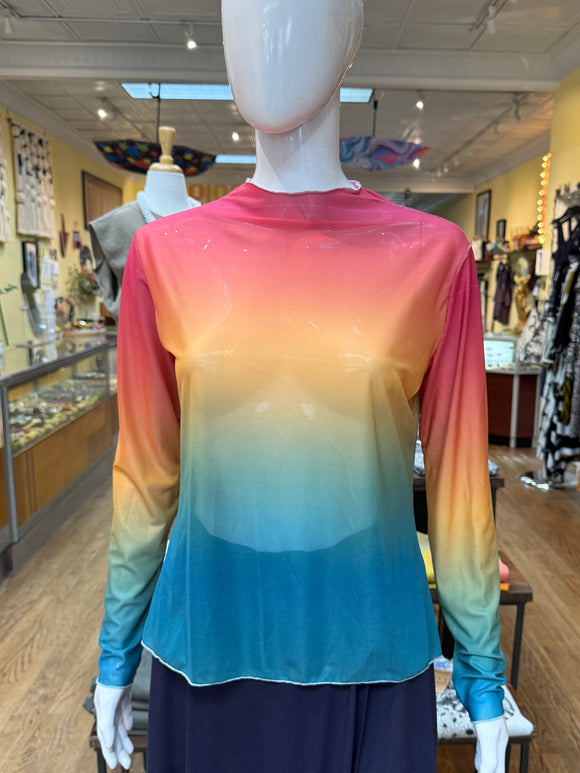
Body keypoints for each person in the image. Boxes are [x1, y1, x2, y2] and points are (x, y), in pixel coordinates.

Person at [95, 1, 508, 771]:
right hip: (208, 649)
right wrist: (115, 649)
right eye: (244, 12)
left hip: (372, 653)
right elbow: (145, 477)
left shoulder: (434, 256)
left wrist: (482, 677)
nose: (269, 31)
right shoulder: (163, 256)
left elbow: (459, 490)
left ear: (352, 34)